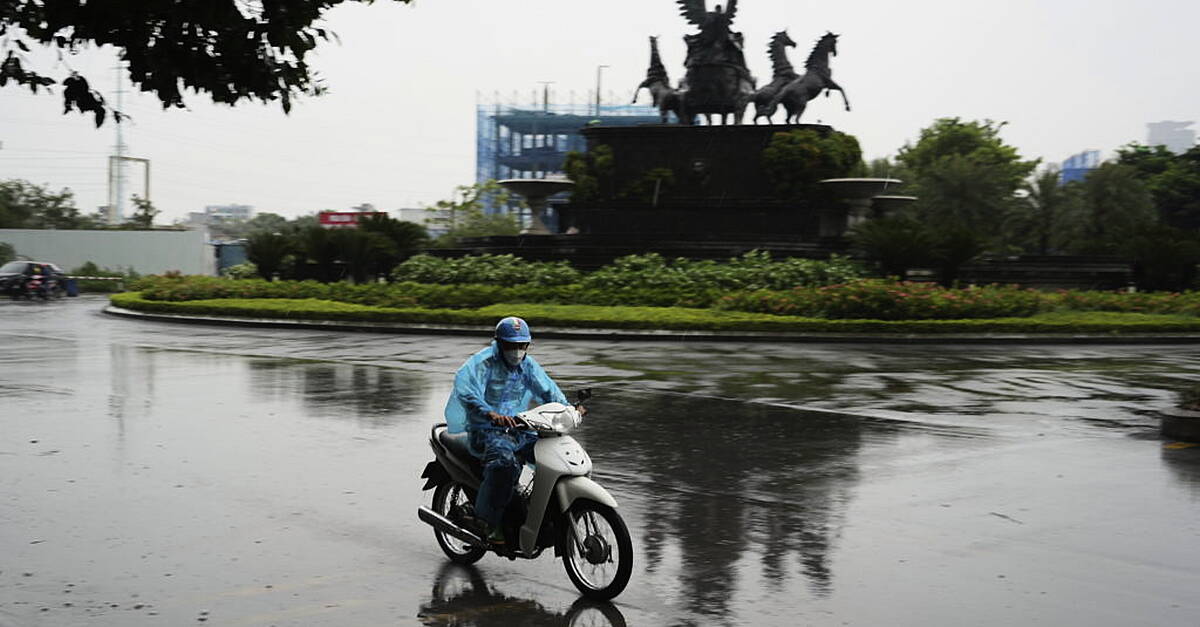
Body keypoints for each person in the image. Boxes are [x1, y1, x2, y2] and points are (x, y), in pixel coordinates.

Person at [443, 316, 577, 545]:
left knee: (551, 455)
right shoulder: (482, 363)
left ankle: (532, 511)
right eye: (511, 345)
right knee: (505, 463)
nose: (517, 351)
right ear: (499, 343)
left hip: (518, 427)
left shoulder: (527, 365)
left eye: (522, 345)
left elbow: (548, 390)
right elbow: (465, 388)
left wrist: (569, 409)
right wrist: (489, 413)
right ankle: (484, 521)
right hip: (485, 430)